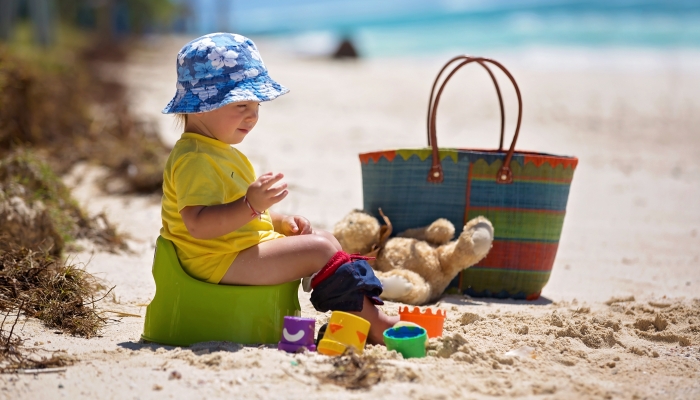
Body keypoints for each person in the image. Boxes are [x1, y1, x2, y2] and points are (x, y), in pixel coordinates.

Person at [160, 33, 398, 344]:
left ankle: (355, 313)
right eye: (242, 103)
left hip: (230, 251)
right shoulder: (194, 159)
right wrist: (251, 205)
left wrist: (278, 221)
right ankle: (375, 323)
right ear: (202, 106)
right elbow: (199, 225)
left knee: (325, 239)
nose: (253, 114)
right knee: (321, 249)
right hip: (214, 261)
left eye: (256, 104)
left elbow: (241, 218)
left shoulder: (218, 151)